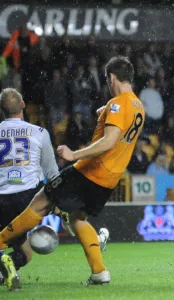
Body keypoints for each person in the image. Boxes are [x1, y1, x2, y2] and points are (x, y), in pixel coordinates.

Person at [0, 56, 145, 288]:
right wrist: (107, 111)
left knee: (41, 201)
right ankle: (99, 272)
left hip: (89, 171)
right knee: (76, 218)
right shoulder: (138, 106)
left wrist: (73, 154)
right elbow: (122, 132)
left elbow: (109, 142)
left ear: (111, 77)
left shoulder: (117, 104)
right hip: (108, 181)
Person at [0, 88, 59, 291]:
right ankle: (6, 267)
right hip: (29, 198)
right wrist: (59, 202)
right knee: (25, 253)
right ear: (23, 105)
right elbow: (52, 173)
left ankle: (3, 264)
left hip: (1, 198)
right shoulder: (39, 133)